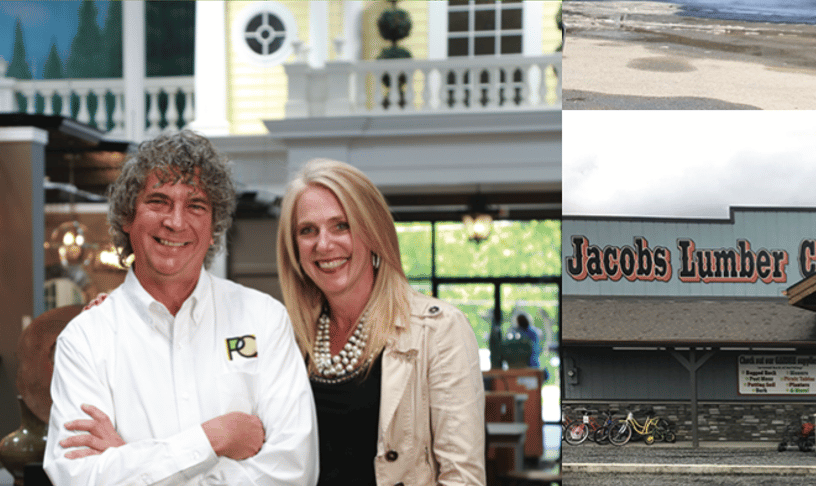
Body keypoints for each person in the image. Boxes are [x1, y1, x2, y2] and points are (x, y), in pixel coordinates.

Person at [44, 130, 318, 486]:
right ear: (127, 217)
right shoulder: (84, 340)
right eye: (158, 201)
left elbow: (295, 470)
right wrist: (213, 437)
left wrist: (131, 462)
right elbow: (78, 478)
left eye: (195, 205)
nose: (175, 221)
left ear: (213, 226)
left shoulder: (264, 320)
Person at [276, 159, 485, 486]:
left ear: (373, 232)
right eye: (307, 231)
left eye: (341, 225)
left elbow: (463, 478)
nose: (324, 244)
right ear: (294, 248)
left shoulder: (439, 329)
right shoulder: (288, 336)